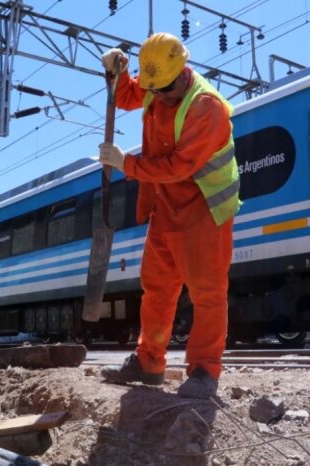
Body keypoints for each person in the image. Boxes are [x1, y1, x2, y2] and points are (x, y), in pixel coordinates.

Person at [97, 32, 240, 399]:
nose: (154, 95)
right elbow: (129, 94)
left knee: (208, 293)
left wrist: (125, 163)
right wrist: (116, 72)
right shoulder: (159, 83)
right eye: (152, 88)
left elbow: (179, 166)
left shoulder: (207, 107)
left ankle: (204, 372)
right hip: (165, 208)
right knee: (156, 289)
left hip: (204, 210)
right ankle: (149, 362)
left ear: (181, 73)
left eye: (160, 89)